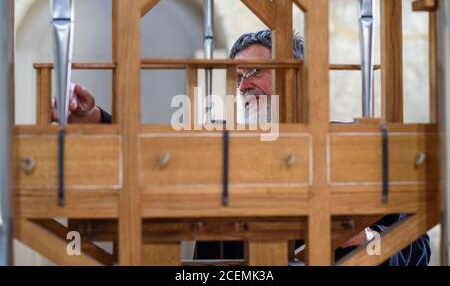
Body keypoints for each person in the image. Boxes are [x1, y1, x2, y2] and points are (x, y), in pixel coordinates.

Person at [52, 30, 431, 265]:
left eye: (257, 72)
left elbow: (418, 249)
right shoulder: (216, 140)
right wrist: (91, 118)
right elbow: (144, 154)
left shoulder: (352, 148)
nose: (245, 84)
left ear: (298, 77)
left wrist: (362, 241)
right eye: (239, 75)